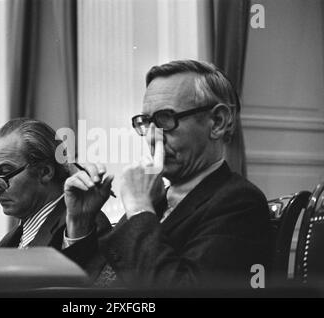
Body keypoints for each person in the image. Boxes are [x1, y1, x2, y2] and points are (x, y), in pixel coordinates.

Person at [63, 60, 273, 289]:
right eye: (146, 122)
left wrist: (140, 209)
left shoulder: (238, 202)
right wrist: (79, 223)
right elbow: (94, 282)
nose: (152, 138)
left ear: (217, 123)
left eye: (166, 119)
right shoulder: (157, 197)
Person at [0, 118, 111, 277]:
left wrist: (77, 227)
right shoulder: (10, 241)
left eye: (5, 172)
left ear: (45, 172)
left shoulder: (85, 222)